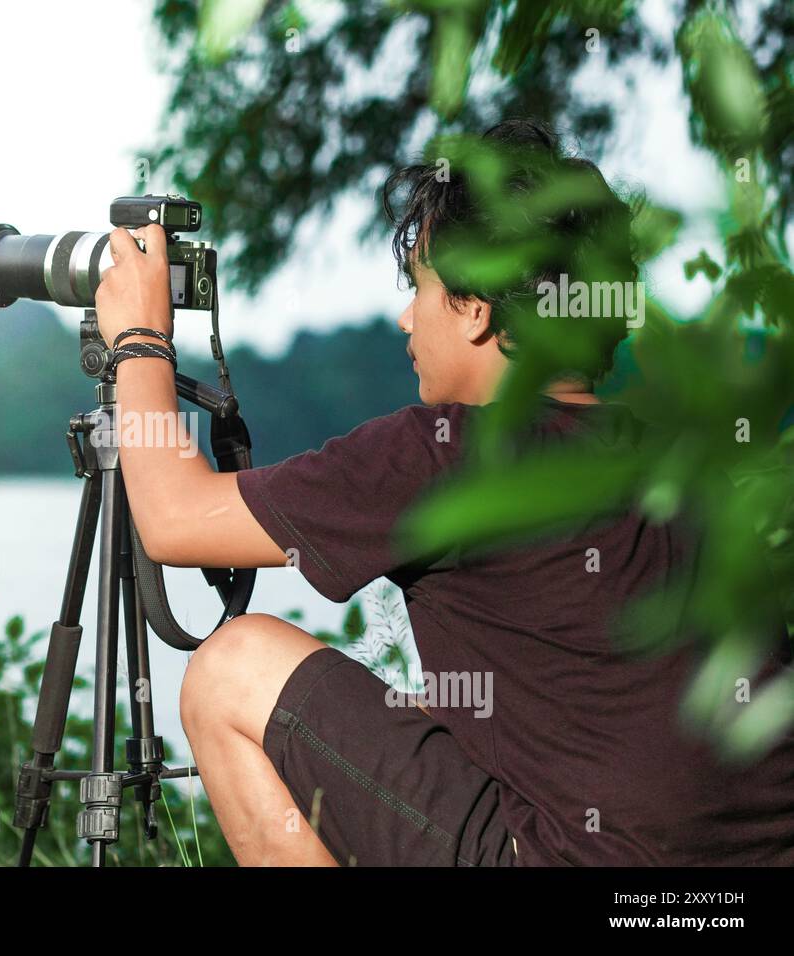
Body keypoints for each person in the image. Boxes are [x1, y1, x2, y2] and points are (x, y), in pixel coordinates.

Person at [90, 119, 794, 866]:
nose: (406, 316)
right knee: (438, 704)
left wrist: (141, 339)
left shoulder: (447, 451)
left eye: (420, 286)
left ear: (476, 308)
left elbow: (171, 517)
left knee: (232, 667)